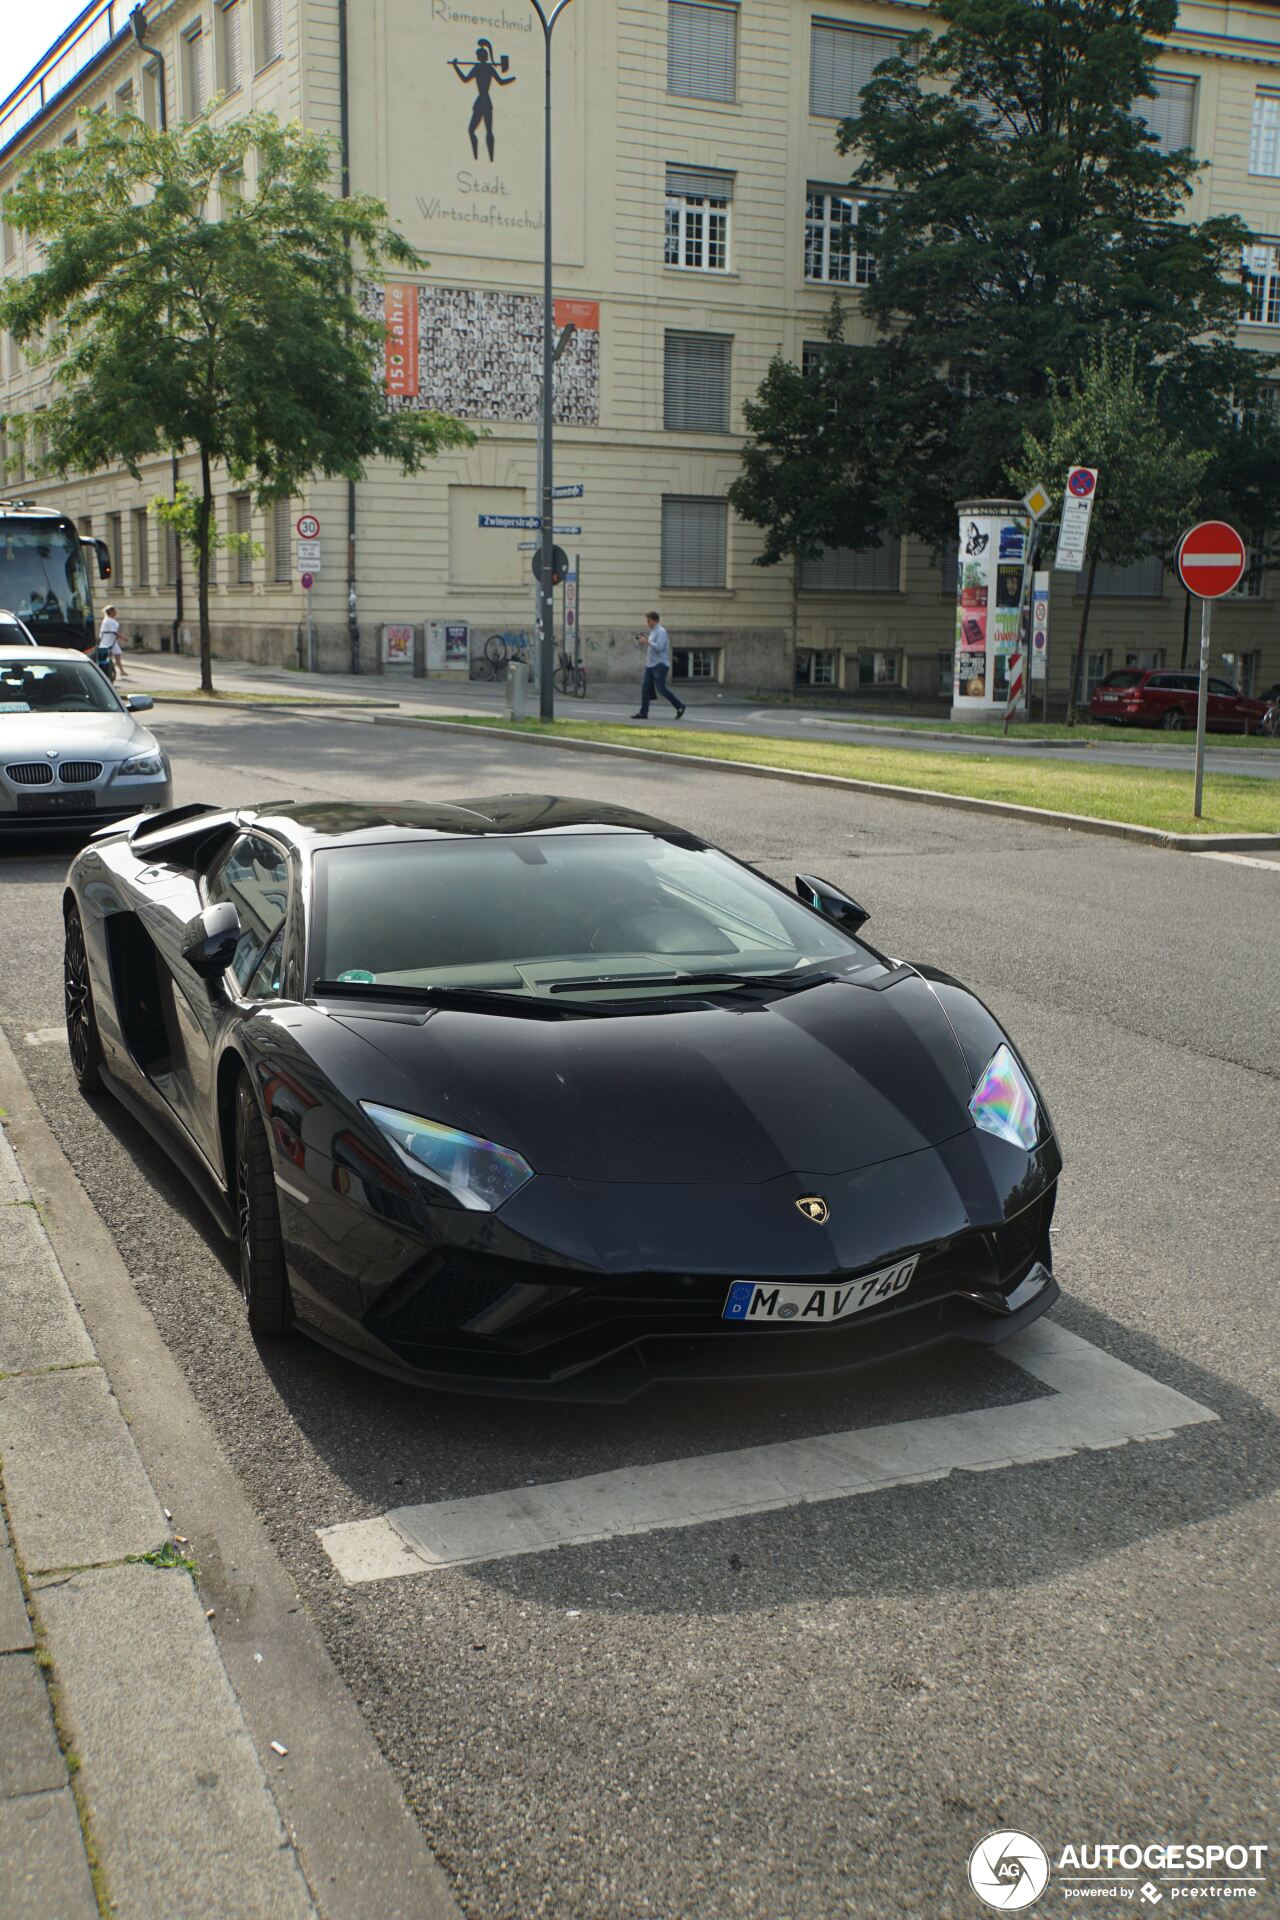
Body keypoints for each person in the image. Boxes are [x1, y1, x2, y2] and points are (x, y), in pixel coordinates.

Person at [631, 611, 685, 721]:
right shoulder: (653, 632)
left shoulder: (661, 631)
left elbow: (659, 647)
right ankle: (643, 713)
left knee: (661, 689)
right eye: (647, 621)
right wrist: (644, 642)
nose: (648, 623)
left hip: (660, 665)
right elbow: (651, 646)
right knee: (645, 689)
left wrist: (648, 642)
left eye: (649, 620)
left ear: (655, 620)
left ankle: (679, 706)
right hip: (650, 665)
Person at [96, 604, 127, 681]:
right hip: (107, 640)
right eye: (114, 611)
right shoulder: (108, 621)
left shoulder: (111, 620)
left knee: (118, 653)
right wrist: (123, 638)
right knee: (106, 655)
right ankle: (107, 669)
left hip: (112, 640)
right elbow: (114, 632)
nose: (116, 612)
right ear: (110, 612)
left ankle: (120, 670)